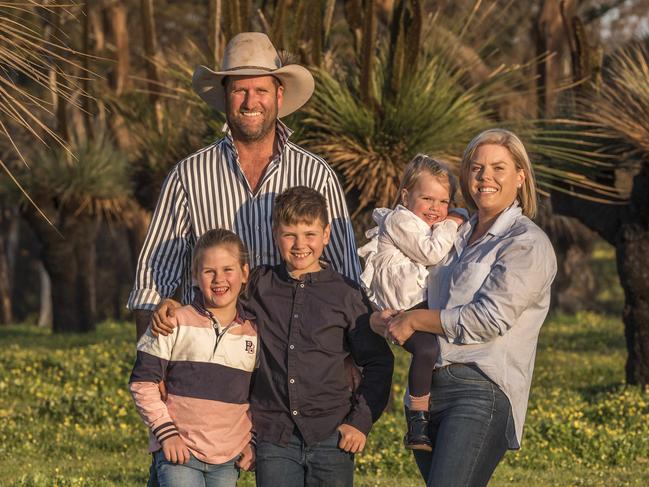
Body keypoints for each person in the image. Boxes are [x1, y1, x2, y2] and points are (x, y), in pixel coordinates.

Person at [154, 186, 394, 487]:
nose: (300, 244)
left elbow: (379, 362)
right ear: (274, 233)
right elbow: (216, 301)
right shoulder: (257, 285)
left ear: (327, 234)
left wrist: (359, 423)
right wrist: (173, 304)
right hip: (274, 436)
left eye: (310, 234)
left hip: (331, 433)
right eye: (289, 234)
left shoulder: (347, 294)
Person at [128, 32, 360, 340]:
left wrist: (349, 358)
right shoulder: (188, 176)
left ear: (279, 95)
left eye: (261, 90)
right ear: (225, 96)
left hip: (300, 351)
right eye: (240, 90)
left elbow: (346, 274)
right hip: (209, 352)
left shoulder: (316, 174)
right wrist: (151, 369)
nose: (251, 102)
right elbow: (153, 278)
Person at [374, 129, 557, 487]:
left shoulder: (526, 243)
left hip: (480, 389)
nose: (485, 176)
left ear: (520, 176)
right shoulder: (450, 234)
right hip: (427, 389)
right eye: (476, 167)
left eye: (498, 168)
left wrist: (415, 320)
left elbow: (488, 319)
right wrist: (386, 317)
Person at [129, 229, 257, 486]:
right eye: (209, 271)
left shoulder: (254, 333)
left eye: (227, 270)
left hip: (227, 457)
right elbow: (142, 382)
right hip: (179, 451)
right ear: (195, 276)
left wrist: (251, 440)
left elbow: (263, 395)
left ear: (244, 273)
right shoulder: (172, 322)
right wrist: (166, 434)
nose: (219, 279)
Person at [357, 154, 466, 451]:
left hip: (414, 302)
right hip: (402, 305)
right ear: (406, 196)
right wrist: (454, 220)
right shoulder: (400, 219)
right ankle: (417, 420)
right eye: (427, 198)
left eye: (444, 202)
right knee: (427, 348)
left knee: (434, 350)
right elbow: (431, 253)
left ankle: (429, 413)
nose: (435, 208)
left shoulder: (421, 223)